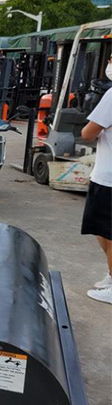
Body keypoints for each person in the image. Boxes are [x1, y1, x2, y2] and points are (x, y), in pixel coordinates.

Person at [81, 55, 112, 304]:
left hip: (108, 177)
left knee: (107, 233)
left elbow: (88, 133)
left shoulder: (111, 96)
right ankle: (111, 276)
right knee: (103, 231)